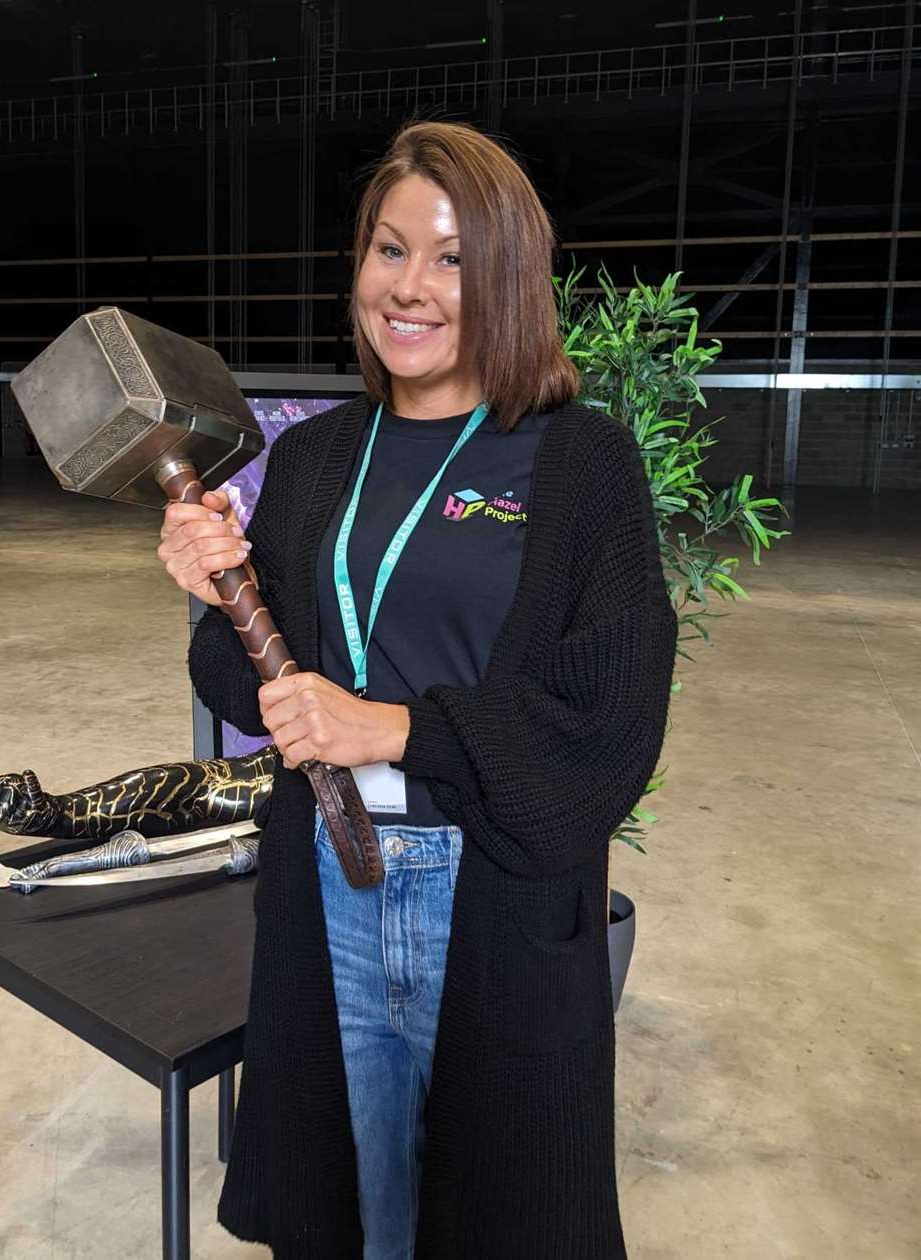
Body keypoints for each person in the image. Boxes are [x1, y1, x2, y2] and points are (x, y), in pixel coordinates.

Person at [157, 120, 677, 1259]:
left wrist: (390, 726)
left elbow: (618, 713)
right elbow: (239, 678)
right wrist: (215, 592)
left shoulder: (580, 461)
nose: (412, 288)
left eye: (450, 257)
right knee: (357, 1213)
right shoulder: (313, 460)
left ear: (506, 277)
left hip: (490, 888)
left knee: (503, 1210)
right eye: (389, 250)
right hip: (325, 887)